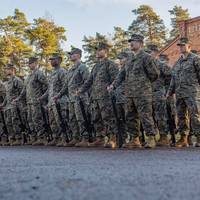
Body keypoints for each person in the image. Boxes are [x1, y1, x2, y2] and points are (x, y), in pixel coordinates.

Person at [111, 34, 159, 148]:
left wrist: (143, 84)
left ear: (141, 44)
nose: (131, 43)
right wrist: (113, 85)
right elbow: (121, 75)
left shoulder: (146, 57)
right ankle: (134, 139)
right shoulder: (129, 59)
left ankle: (151, 139)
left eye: (134, 41)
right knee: (130, 116)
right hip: (129, 93)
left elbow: (154, 74)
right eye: (130, 41)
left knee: (145, 116)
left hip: (143, 93)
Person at [77, 43, 119, 148]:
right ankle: (100, 138)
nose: (97, 52)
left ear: (106, 51)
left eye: (100, 50)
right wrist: (81, 90)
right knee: (96, 118)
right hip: (95, 97)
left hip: (106, 97)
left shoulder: (110, 64)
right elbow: (89, 81)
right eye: (96, 50)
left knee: (108, 118)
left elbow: (116, 79)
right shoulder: (95, 66)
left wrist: (112, 89)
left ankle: (112, 139)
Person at [167, 37, 200, 148]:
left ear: (189, 47)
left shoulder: (195, 59)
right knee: (181, 116)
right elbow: (173, 78)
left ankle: (199, 137)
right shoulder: (178, 62)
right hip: (180, 94)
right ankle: (183, 138)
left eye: (183, 45)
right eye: (180, 46)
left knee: (195, 115)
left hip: (192, 93)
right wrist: (170, 92)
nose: (181, 47)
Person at [55, 48, 90, 147]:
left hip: (80, 98)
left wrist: (80, 91)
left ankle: (85, 138)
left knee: (81, 118)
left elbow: (87, 81)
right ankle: (76, 137)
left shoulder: (82, 67)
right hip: (71, 99)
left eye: (72, 54)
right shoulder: (70, 70)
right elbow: (66, 86)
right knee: (72, 118)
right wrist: (58, 95)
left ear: (78, 55)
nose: (70, 56)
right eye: (70, 54)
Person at [15, 57, 49, 145]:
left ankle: (42, 137)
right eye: (29, 63)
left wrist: (42, 97)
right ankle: (34, 137)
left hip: (37, 101)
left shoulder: (39, 73)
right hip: (29, 102)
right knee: (30, 119)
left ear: (36, 63)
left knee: (37, 119)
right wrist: (18, 98)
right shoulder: (29, 76)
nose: (29, 65)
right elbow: (24, 90)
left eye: (31, 63)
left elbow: (47, 86)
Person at [40, 53, 68, 146]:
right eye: (51, 60)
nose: (51, 61)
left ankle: (64, 139)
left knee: (61, 120)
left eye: (54, 59)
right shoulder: (52, 73)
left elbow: (65, 86)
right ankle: (56, 138)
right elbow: (50, 88)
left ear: (59, 60)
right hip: (51, 102)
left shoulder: (62, 71)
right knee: (52, 121)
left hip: (60, 101)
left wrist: (59, 95)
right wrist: (43, 97)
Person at [147, 44, 172, 146]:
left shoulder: (161, 65)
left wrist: (166, 90)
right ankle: (152, 137)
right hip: (147, 94)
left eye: (149, 52)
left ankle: (164, 137)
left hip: (158, 93)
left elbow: (171, 78)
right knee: (150, 117)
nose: (147, 54)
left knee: (160, 116)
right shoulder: (146, 66)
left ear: (155, 53)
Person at [0, 64, 24, 145]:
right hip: (8, 106)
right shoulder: (8, 82)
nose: (5, 71)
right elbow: (7, 95)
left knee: (15, 122)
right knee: (8, 122)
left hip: (15, 105)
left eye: (7, 69)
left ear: (12, 70)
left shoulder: (17, 80)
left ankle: (19, 138)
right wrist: (3, 104)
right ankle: (12, 138)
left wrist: (18, 100)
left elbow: (22, 92)